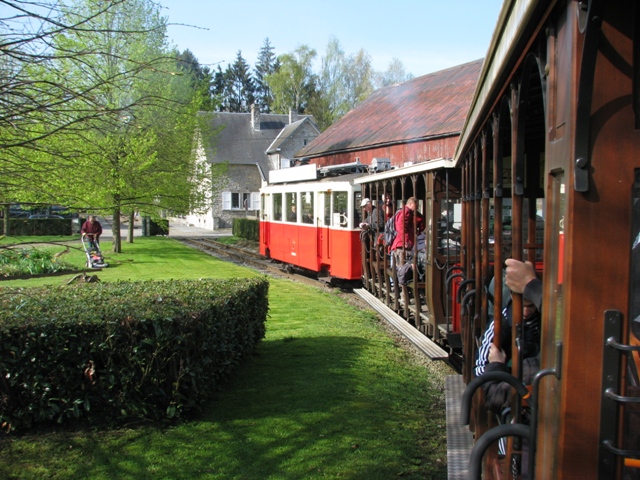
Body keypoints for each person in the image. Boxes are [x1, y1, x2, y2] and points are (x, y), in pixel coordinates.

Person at [389, 197, 425, 268]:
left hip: (399, 245)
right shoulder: (406, 211)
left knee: (399, 270)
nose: (417, 208)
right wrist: (405, 241)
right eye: (416, 205)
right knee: (402, 270)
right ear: (411, 204)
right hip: (402, 245)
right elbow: (401, 226)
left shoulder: (402, 211)